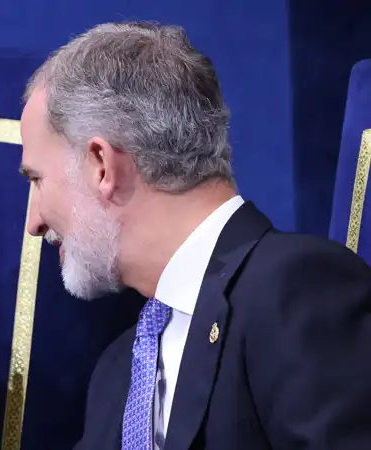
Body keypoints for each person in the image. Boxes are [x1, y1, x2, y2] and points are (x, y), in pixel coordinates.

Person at [19, 21, 371, 450]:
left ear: (101, 165)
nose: (34, 221)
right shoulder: (118, 373)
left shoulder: (297, 289)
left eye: (37, 179)